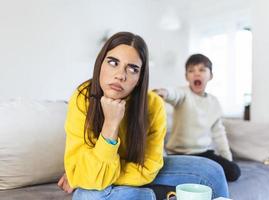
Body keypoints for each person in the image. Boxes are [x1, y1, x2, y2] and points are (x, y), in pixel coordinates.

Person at [58, 32, 229, 200]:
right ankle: (163, 195)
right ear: (100, 63)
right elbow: (85, 171)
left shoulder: (153, 105)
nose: (120, 75)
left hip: (129, 172)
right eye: (113, 62)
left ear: (140, 77)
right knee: (88, 197)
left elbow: (148, 169)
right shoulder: (83, 98)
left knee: (212, 172)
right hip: (119, 172)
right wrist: (110, 124)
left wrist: (87, 175)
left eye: (133, 69)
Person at [154, 54, 241, 182]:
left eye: (202, 70)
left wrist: (227, 159)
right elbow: (173, 93)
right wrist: (164, 92)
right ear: (186, 77)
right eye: (191, 71)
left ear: (210, 75)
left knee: (234, 171)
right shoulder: (183, 94)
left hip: (204, 153)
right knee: (200, 174)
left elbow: (219, 133)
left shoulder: (214, 102)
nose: (196, 74)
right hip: (179, 154)